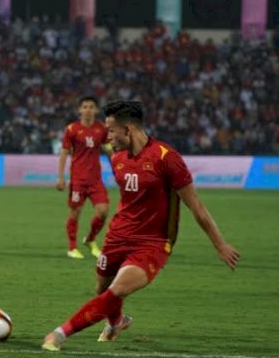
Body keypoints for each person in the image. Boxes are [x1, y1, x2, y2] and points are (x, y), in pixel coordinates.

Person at [42, 100, 240, 351]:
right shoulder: (117, 159)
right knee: (101, 289)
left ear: (129, 130)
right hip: (117, 236)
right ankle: (117, 322)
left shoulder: (167, 159)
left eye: (112, 131)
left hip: (152, 242)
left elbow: (196, 206)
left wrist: (219, 244)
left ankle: (59, 334)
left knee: (116, 290)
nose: (107, 136)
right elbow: (131, 201)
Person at [56, 96, 113, 259]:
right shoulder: (72, 129)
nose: (88, 110)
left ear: (96, 110)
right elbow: (64, 153)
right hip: (78, 180)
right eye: (85, 107)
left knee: (103, 211)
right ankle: (72, 247)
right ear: (80, 110)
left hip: (95, 180)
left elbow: (109, 152)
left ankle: (90, 239)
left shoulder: (101, 129)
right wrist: (61, 177)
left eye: (91, 107)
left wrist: (119, 171)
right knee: (75, 212)